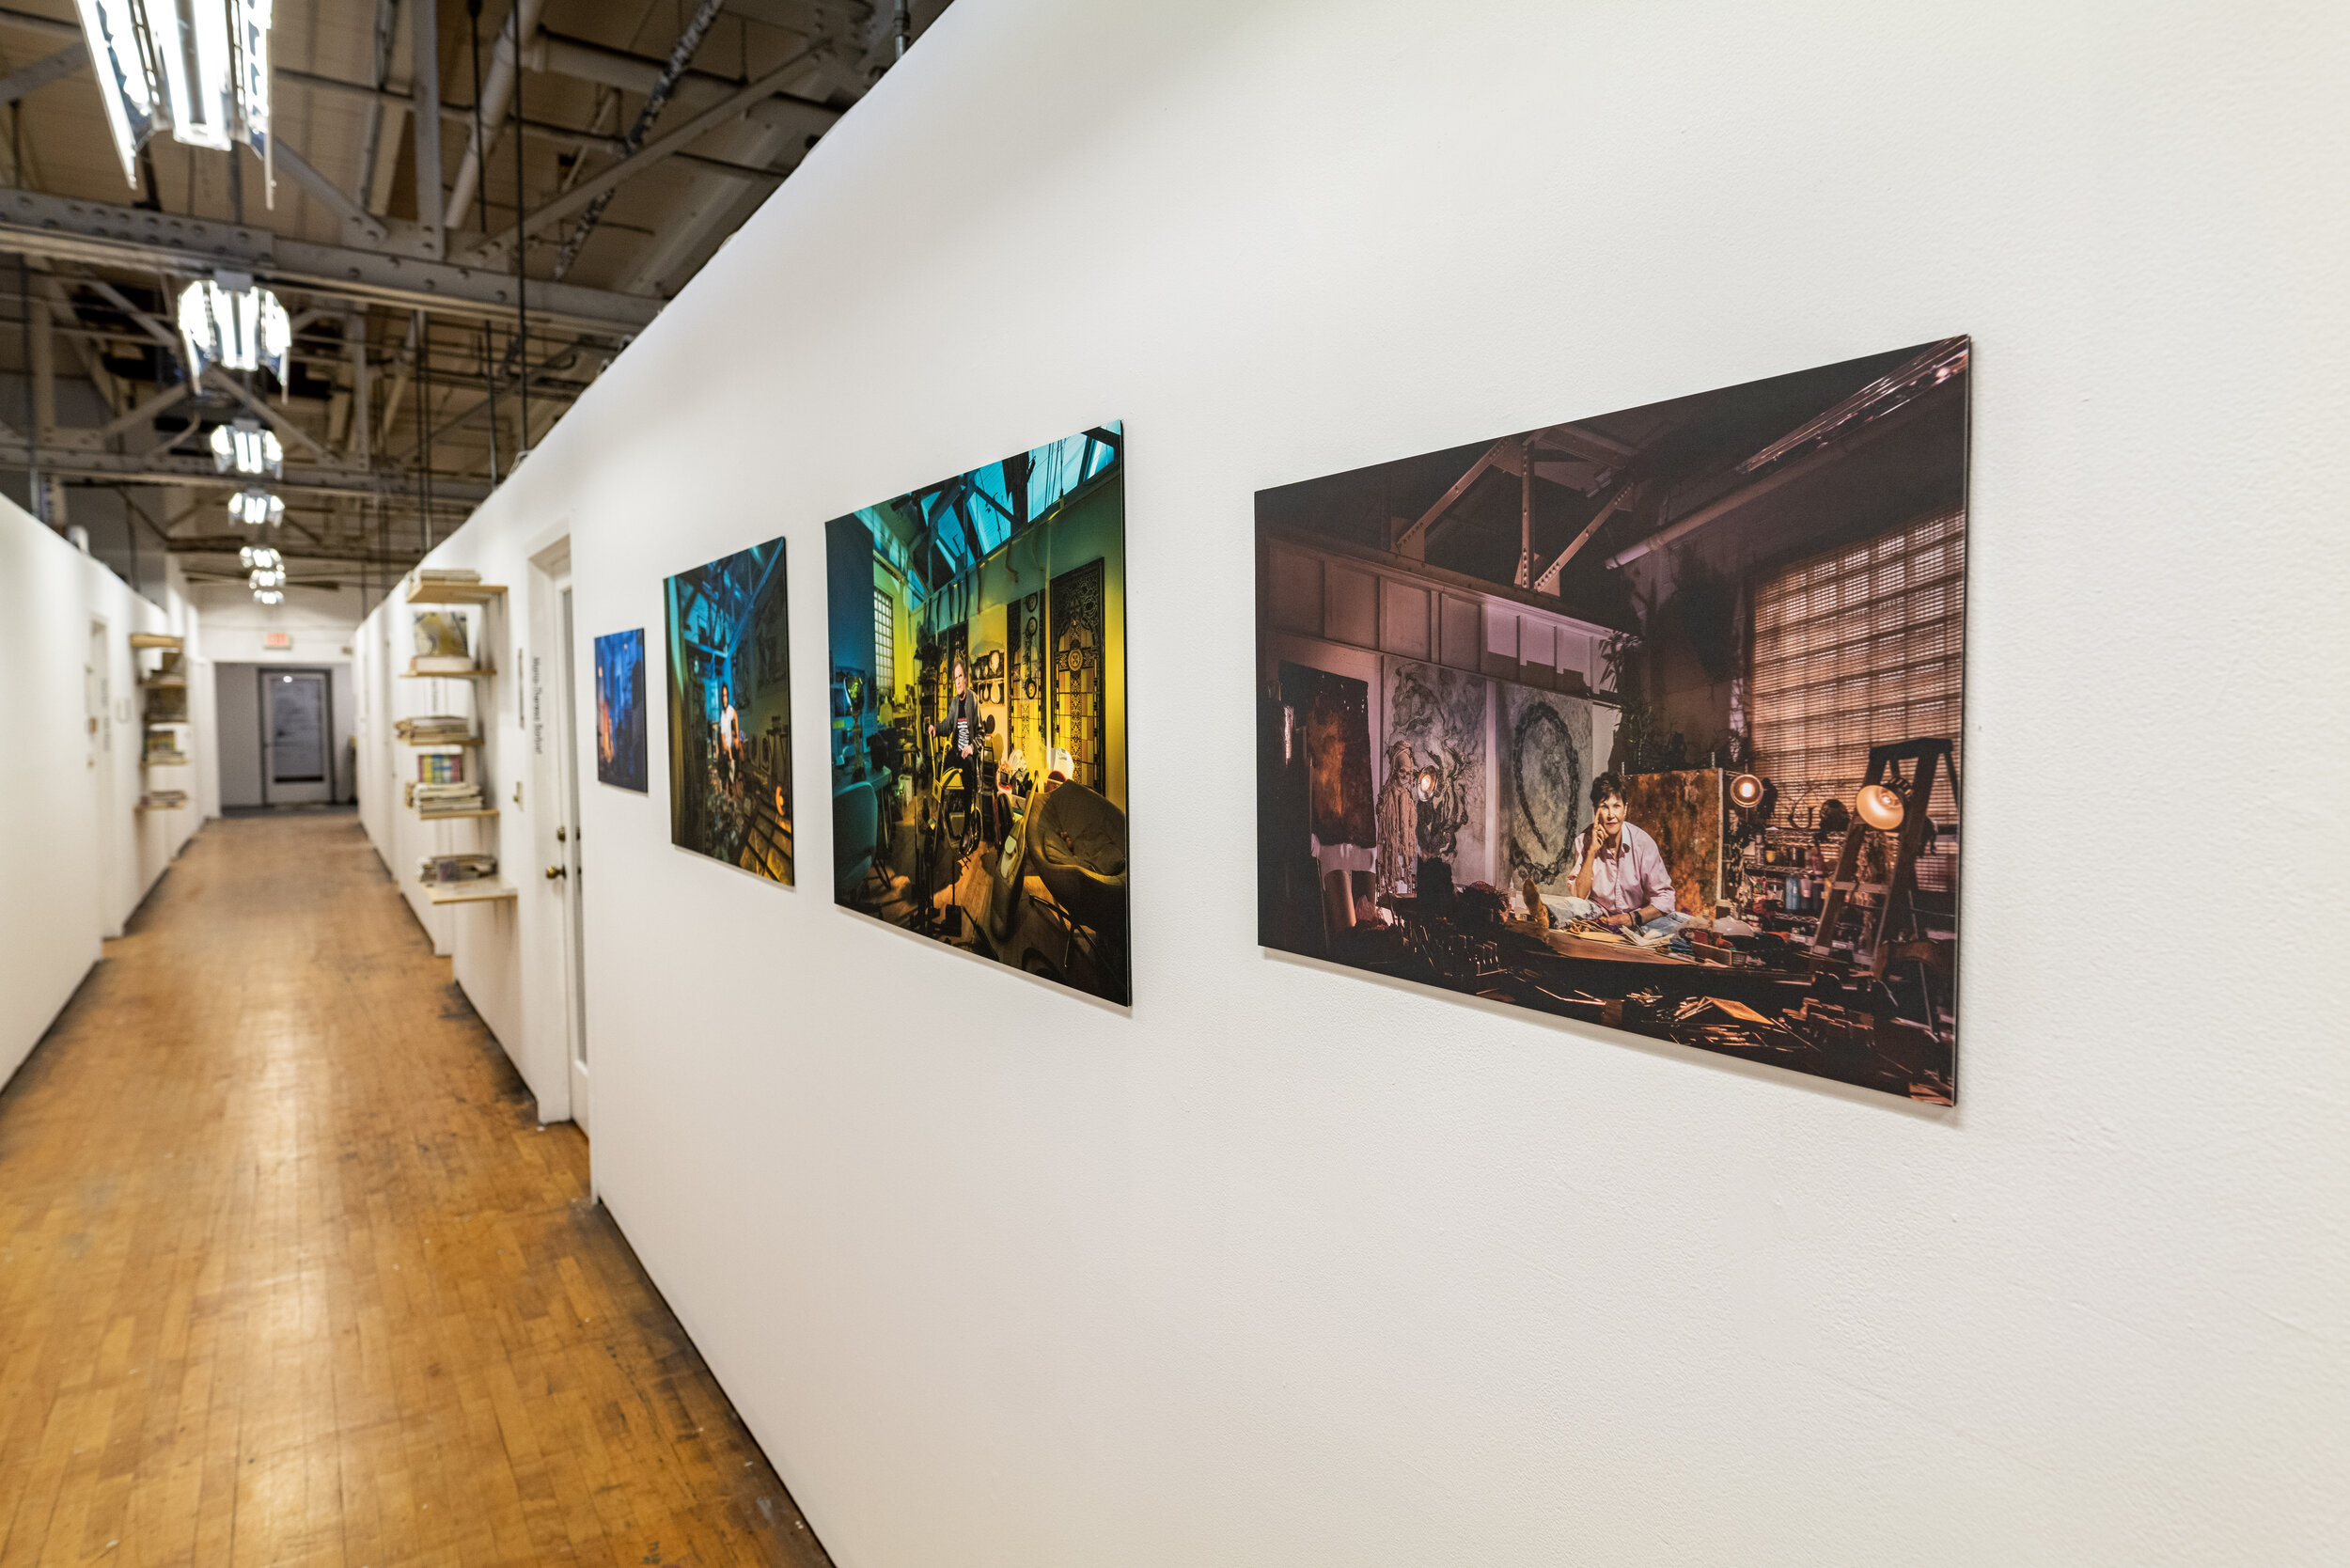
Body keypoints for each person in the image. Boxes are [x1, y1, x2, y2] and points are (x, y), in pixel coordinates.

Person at [1569, 771, 1677, 930]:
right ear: (1595, 810)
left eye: (1616, 806)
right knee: (1568, 909)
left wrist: (1631, 918)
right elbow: (1579, 897)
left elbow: (1666, 898)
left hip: (1636, 919)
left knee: (1674, 925)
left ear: (1625, 809)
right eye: (1604, 807)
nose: (1611, 815)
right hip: (1598, 918)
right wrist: (1591, 852)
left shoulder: (1643, 843)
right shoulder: (1583, 841)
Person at [930, 655, 983, 840]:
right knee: (939, 763)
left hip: (968, 753)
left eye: (961, 676)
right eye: (955, 678)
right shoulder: (954, 703)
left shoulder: (973, 700)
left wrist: (971, 747)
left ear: (966, 678)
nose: (958, 681)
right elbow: (947, 725)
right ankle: (943, 815)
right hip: (955, 751)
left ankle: (967, 827)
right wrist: (936, 728)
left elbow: (981, 735)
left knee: (967, 772)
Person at [716, 682, 742, 792]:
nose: (725, 699)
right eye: (723, 696)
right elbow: (722, 741)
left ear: (728, 696)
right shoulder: (722, 716)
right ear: (721, 698)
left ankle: (734, 791)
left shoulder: (731, 710)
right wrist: (729, 750)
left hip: (732, 750)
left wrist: (737, 736)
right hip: (726, 752)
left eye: (726, 696)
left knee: (736, 776)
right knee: (726, 779)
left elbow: (736, 718)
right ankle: (727, 792)